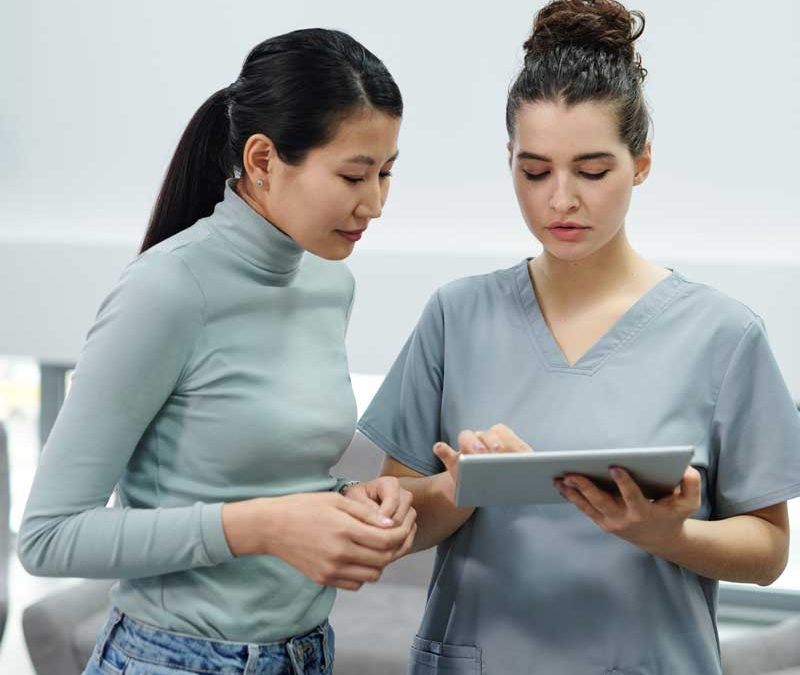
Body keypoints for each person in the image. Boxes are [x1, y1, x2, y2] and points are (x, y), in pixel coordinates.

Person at [357, 2, 800, 673]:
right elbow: (398, 514)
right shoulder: (456, 316)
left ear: (641, 162)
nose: (560, 199)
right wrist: (460, 488)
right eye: (534, 171)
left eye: (592, 170)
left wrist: (666, 532)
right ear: (509, 159)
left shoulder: (724, 336)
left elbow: (769, 550)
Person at [19, 28, 416, 675]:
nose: (374, 202)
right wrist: (263, 527)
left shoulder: (330, 281)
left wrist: (356, 499)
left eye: (386, 172)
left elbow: (274, 478)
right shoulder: (167, 290)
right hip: (171, 658)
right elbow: (48, 536)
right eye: (353, 174)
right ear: (262, 160)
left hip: (306, 653)